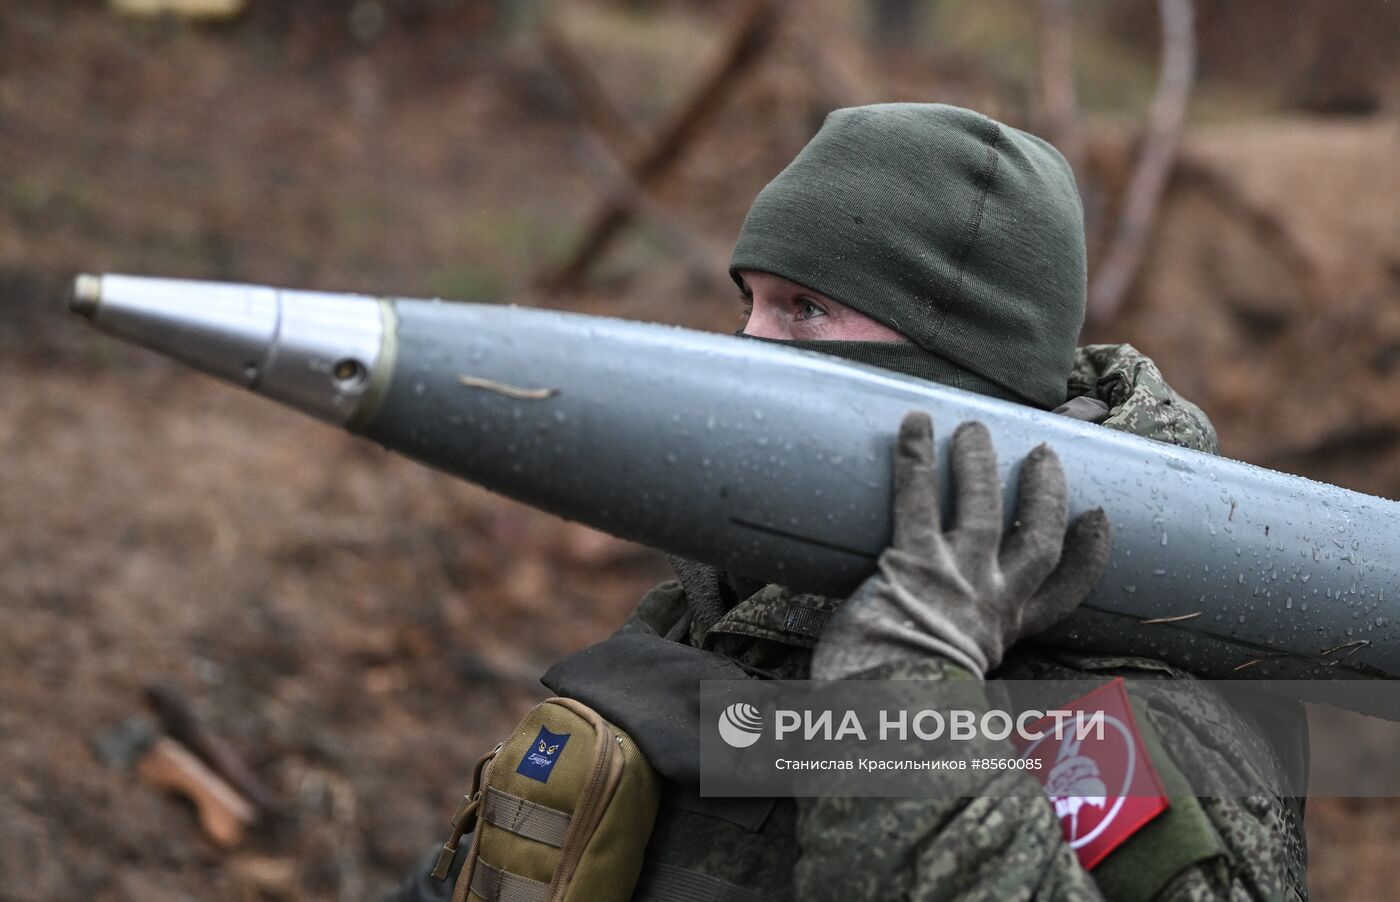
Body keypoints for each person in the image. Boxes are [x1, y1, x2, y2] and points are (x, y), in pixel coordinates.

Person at [385, 103, 1306, 901]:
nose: (744, 348)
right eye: (749, 302)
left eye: (803, 310)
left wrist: (907, 696)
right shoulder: (728, 603)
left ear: (956, 372)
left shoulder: (1119, 709)